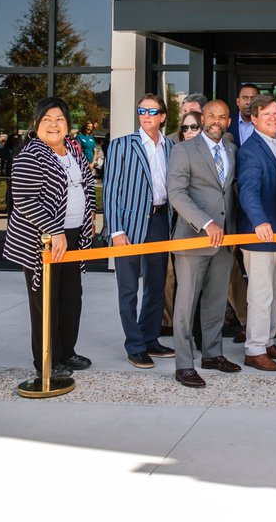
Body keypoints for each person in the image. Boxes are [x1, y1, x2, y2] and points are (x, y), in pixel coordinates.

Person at [2, 97, 94, 379]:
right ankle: (47, 359)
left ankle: (67, 352)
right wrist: (55, 231)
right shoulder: (30, 155)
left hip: (73, 235)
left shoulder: (73, 151)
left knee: (71, 297)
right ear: (36, 124)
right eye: (47, 120)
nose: (54, 125)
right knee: (46, 300)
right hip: (41, 240)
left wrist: (87, 218)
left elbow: (85, 185)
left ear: (68, 125)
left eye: (60, 119)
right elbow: (26, 200)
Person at [166, 100, 240, 388]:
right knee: (185, 306)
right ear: (202, 117)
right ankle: (184, 364)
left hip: (224, 242)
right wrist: (206, 222)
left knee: (215, 302)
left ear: (228, 122)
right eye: (211, 116)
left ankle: (212, 354)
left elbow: (229, 193)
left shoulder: (232, 150)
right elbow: (177, 194)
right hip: (193, 238)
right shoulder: (183, 149)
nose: (216, 121)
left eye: (222, 117)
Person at [103, 93, 176, 369]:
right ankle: (134, 346)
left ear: (163, 116)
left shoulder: (170, 146)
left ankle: (149, 339)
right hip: (129, 225)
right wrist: (116, 230)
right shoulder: (122, 145)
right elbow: (110, 191)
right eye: (141, 111)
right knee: (129, 289)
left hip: (159, 221)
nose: (146, 116)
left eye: (152, 111)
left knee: (156, 286)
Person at [236, 93, 276, 371]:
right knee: (260, 295)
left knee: (275, 291)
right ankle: (254, 349)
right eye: (267, 115)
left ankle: (268, 341)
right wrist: (259, 220)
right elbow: (247, 190)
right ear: (254, 118)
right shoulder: (250, 150)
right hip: (259, 235)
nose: (273, 118)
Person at [161, 110, 204, 336]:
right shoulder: (177, 151)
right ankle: (177, 332)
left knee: (200, 289)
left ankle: (198, 337)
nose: (188, 132)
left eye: (194, 127)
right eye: (185, 128)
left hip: (206, 229)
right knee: (180, 285)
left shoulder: (217, 152)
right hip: (178, 225)